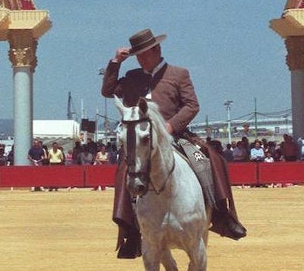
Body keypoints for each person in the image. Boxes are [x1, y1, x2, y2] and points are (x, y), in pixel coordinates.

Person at [102, 28, 247, 259]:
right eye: (137, 55)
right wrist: (115, 62)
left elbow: (192, 106)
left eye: (144, 54)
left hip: (174, 136)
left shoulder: (179, 74)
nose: (140, 59)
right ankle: (130, 231)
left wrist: (169, 127)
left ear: (157, 50)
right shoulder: (131, 77)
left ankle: (222, 215)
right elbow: (108, 91)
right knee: (124, 170)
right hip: (143, 139)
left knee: (211, 159)